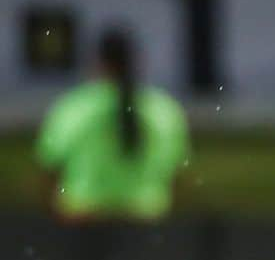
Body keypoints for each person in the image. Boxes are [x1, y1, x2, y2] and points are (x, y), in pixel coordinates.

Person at [36, 27, 189, 221]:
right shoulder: (163, 110)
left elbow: (48, 170)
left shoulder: (74, 108)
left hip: (82, 222)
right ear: (137, 62)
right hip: (147, 224)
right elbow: (177, 176)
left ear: (97, 61)